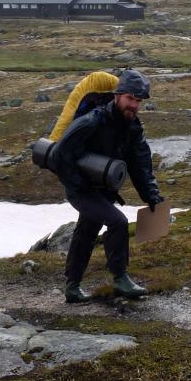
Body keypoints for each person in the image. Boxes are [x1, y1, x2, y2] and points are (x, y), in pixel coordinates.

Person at [50, 69, 164, 303]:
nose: (134, 105)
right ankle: (120, 278)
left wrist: (151, 195)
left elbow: (140, 162)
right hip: (81, 189)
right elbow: (61, 154)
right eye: (130, 98)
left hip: (102, 188)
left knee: (87, 231)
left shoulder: (133, 127)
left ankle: (72, 287)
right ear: (117, 95)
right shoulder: (92, 121)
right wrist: (78, 184)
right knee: (118, 222)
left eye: (138, 101)